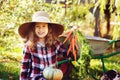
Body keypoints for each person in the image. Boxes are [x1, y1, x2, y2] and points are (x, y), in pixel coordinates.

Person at [18, 11, 70, 80]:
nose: (41, 29)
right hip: (36, 76)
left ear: (49, 28)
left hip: (52, 75)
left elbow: (67, 53)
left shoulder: (54, 43)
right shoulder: (29, 45)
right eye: (37, 26)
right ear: (33, 29)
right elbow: (25, 66)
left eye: (44, 26)